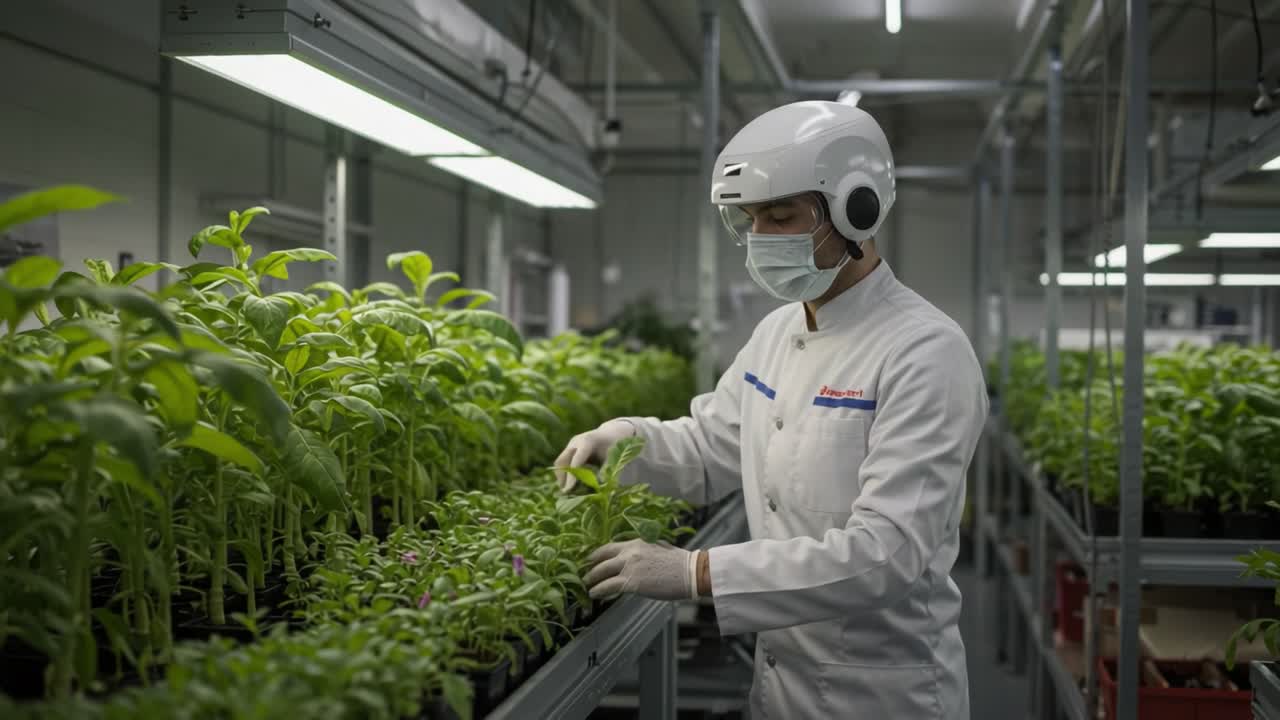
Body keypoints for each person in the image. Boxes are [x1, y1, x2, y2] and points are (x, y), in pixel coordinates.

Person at [554, 100, 987, 719]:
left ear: (856, 209)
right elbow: (712, 446)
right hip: (783, 681)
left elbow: (886, 553)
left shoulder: (925, 352)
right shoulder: (777, 332)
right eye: (751, 219)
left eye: (781, 215)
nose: (760, 238)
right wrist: (623, 441)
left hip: (881, 690)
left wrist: (697, 573)